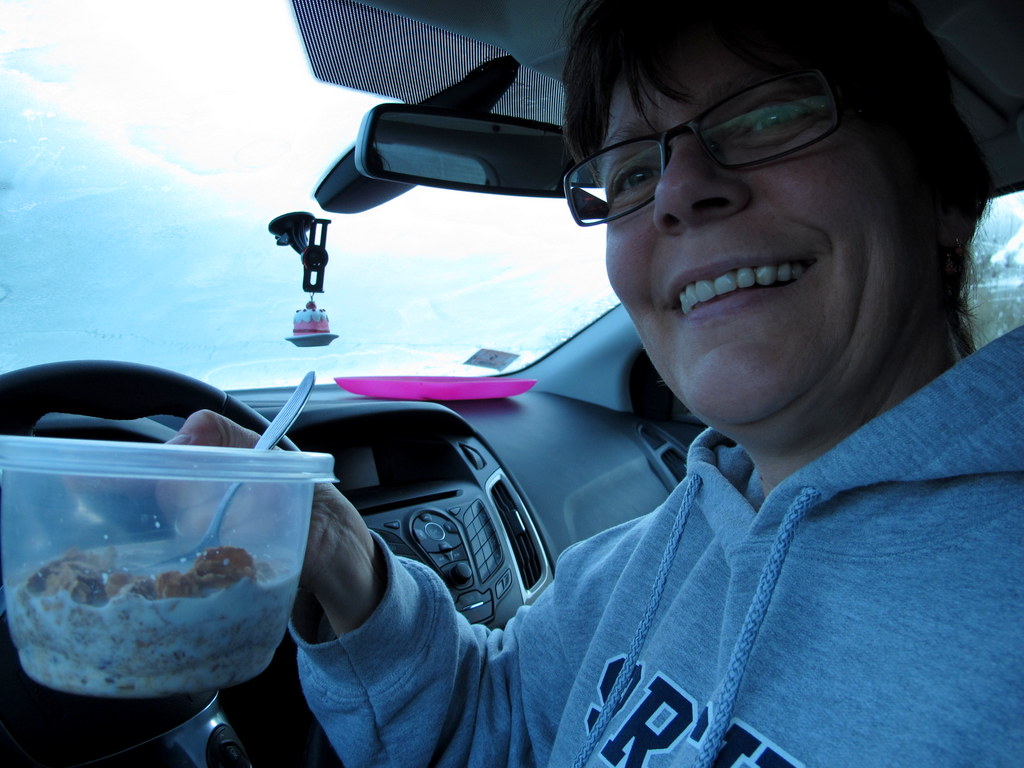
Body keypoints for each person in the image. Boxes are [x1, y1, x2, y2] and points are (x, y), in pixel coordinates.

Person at [171, 0, 1024, 764]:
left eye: (771, 114)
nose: (680, 194)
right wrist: (345, 555)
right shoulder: (654, 553)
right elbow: (493, 728)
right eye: (632, 173)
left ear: (944, 192)